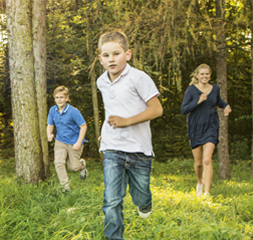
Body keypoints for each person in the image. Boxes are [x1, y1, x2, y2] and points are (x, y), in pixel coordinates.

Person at [96, 30, 163, 240]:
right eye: (106, 55)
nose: (111, 59)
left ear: (128, 54)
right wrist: (104, 133)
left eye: (116, 53)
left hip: (139, 149)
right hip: (113, 148)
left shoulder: (139, 78)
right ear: (100, 59)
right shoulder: (101, 81)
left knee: (141, 196)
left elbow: (156, 109)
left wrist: (126, 122)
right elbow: (112, 108)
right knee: (112, 200)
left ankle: (145, 203)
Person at [181, 63, 231, 198]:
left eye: (207, 74)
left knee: (207, 159)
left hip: (211, 126)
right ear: (197, 75)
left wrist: (225, 105)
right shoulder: (191, 90)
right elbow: (184, 110)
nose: (204, 76)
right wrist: (198, 100)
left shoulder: (215, 89)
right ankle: (199, 182)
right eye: (202, 74)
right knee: (198, 163)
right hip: (196, 127)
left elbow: (218, 101)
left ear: (210, 75)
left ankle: (207, 193)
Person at [47, 85, 88, 192]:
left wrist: (79, 142)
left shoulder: (73, 111)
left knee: (73, 167)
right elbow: (50, 125)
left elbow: (83, 126)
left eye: (61, 97)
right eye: (57, 97)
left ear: (67, 98)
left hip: (74, 142)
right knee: (58, 163)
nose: (59, 100)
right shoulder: (52, 110)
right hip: (60, 140)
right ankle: (65, 188)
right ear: (54, 99)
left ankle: (82, 165)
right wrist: (49, 134)